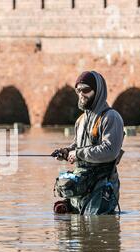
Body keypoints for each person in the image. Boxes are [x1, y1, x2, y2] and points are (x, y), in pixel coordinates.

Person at [52, 71, 125, 215]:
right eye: (78, 90)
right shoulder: (80, 120)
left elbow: (110, 151)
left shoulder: (111, 117)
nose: (81, 94)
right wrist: (66, 152)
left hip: (101, 189)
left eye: (86, 90)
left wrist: (77, 154)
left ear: (98, 92)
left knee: (95, 229)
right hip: (81, 186)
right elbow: (76, 146)